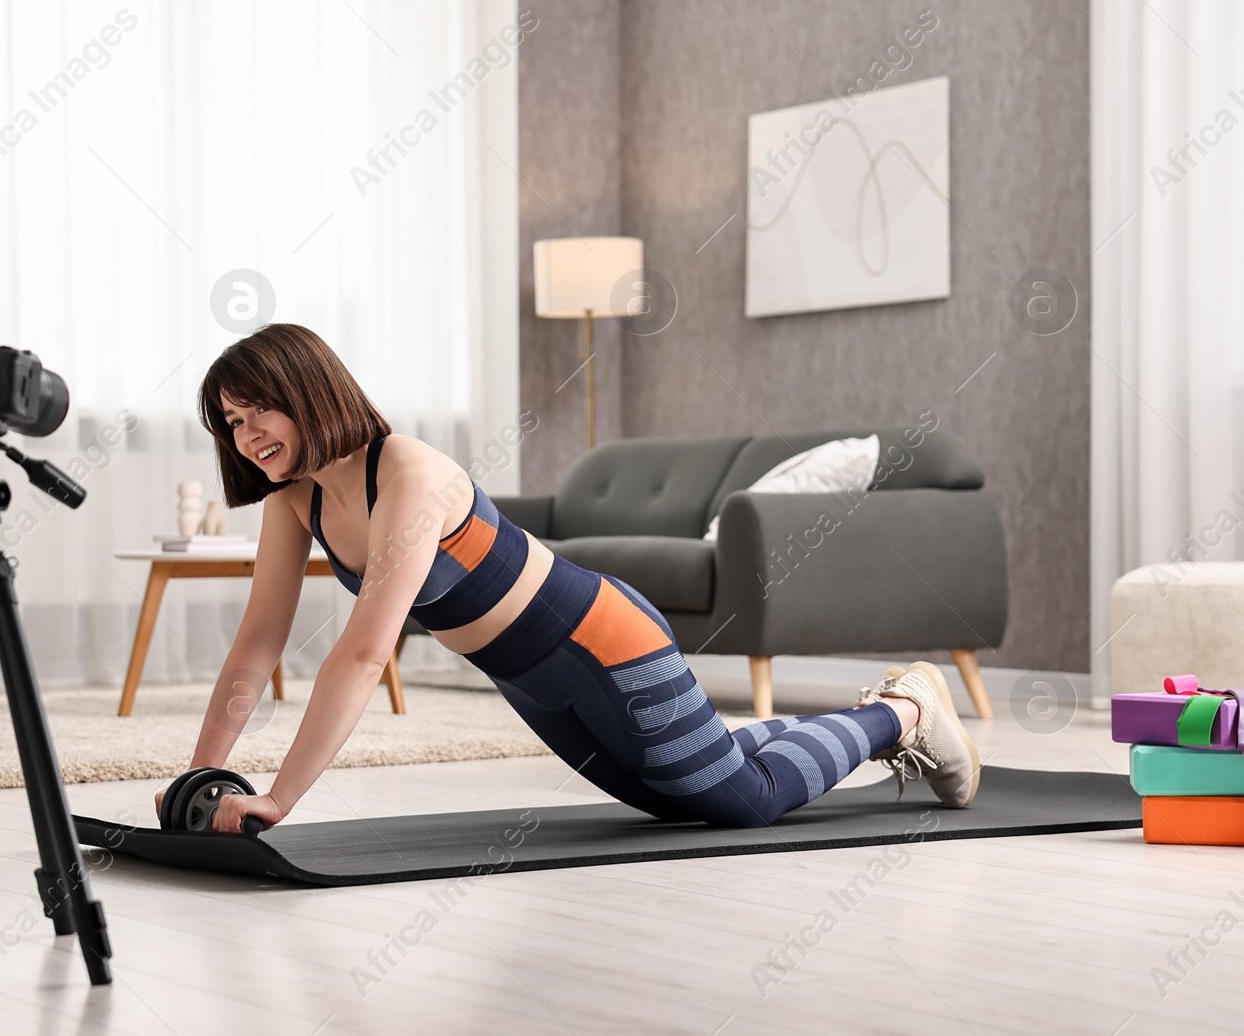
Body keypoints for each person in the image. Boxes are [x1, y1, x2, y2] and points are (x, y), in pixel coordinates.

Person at [157, 324, 979, 834]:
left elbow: (365, 653)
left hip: (605, 643)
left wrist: (281, 799)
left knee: (743, 802)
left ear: (306, 389)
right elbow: (258, 644)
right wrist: (204, 774)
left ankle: (902, 712)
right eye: (231, 421)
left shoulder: (405, 471)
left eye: (256, 409)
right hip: (531, 681)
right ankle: (880, 715)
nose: (246, 433)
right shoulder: (293, 499)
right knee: (679, 800)